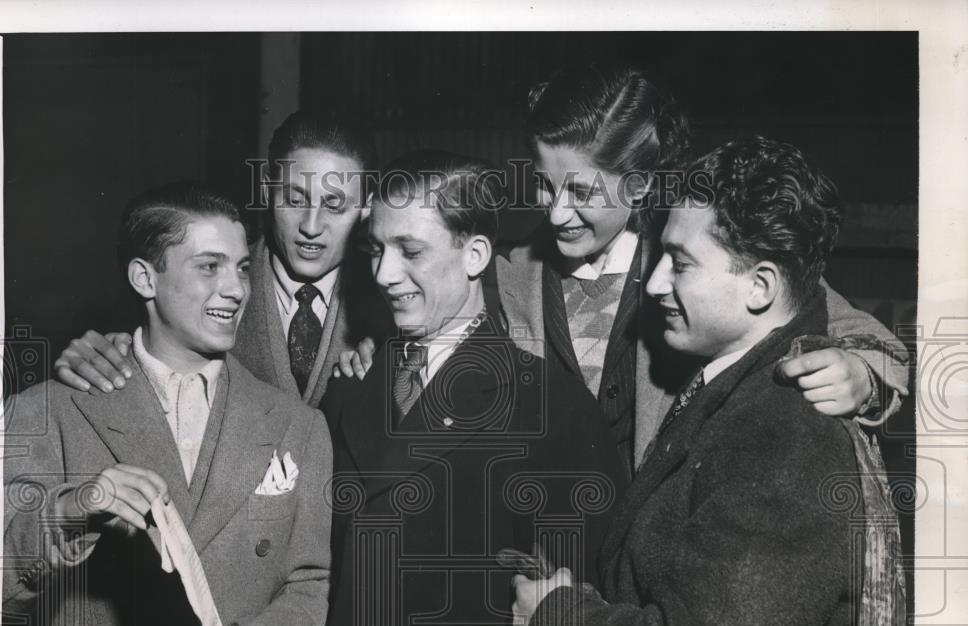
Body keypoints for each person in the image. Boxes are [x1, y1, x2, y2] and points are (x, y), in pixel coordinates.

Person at [511, 137, 907, 626]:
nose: (654, 283)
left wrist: (554, 622)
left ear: (760, 286)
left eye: (681, 262)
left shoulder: (782, 435)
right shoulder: (736, 390)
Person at [338, 64, 910, 478]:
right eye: (543, 183)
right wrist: (381, 355)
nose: (555, 211)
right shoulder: (504, 276)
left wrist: (862, 374)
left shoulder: (695, 269)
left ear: (639, 187)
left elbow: (867, 337)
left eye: (582, 191)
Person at [308, 151, 628, 626]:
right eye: (375, 250)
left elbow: (581, 617)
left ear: (476, 254)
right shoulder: (352, 389)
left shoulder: (547, 406)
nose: (382, 274)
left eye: (411, 250)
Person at [2, 182, 332, 626]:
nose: (235, 289)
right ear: (143, 278)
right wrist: (68, 512)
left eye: (243, 268)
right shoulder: (49, 411)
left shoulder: (296, 424)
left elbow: (308, 584)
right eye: (209, 267)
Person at [53, 108, 391, 408]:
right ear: (265, 192)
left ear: (366, 208)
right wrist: (96, 358)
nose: (311, 227)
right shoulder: (198, 287)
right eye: (294, 199)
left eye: (334, 206)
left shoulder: (393, 308)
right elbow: (136, 353)